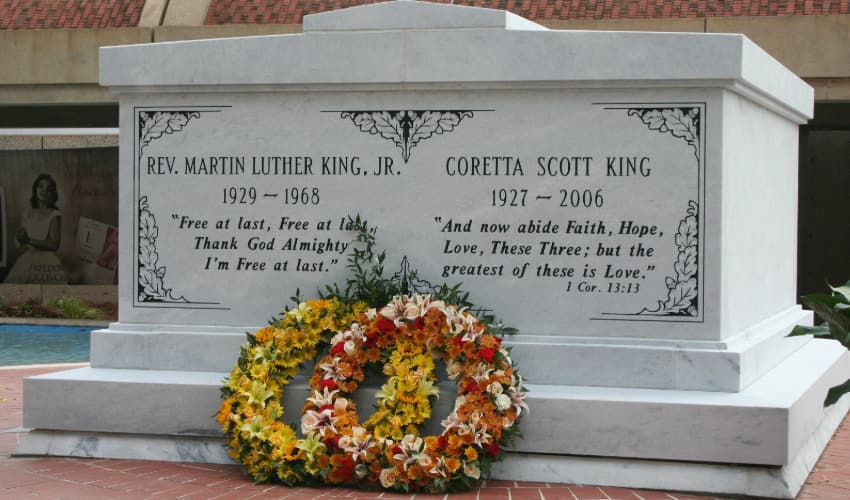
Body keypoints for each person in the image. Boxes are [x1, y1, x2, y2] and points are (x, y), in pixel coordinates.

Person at [4, 174, 67, 283]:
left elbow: (54, 245)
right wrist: (19, 238)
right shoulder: (26, 213)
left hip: (47, 261)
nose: (44, 191)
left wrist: (28, 240)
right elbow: (19, 244)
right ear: (35, 189)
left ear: (53, 194)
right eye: (41, 186)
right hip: (27, 259)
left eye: (48, 189)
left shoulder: (55, 214)